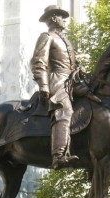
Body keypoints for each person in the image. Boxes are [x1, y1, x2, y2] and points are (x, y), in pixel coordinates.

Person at [31, 5, 79, 169]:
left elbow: (73, 64)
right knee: (64, 110)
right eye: (61, 16)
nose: (65, 19)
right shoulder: (47, 36)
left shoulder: (65, 40)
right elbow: (38, 62)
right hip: (57, 80)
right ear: (53, 18)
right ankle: (58, 156)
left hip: (72, 80)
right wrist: (43, 85)